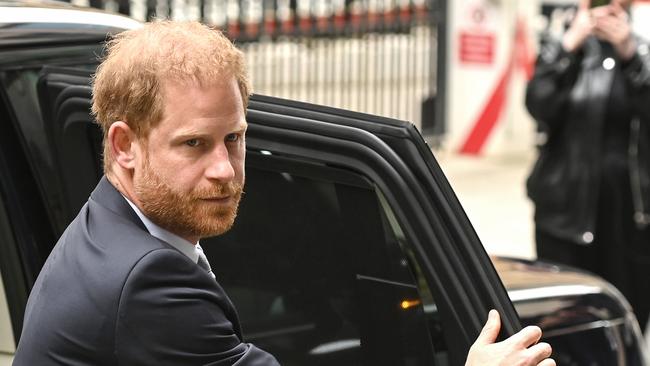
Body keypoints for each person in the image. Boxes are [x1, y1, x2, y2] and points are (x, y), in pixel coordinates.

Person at [14, 20, 554, 366]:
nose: (224, 169)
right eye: (194, 144)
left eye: (235, 138)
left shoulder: (108, 225)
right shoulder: (149, 285)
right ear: (125, 144)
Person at [526, 0, 650, 328]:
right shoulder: (564, 43)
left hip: (629, 219)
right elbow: (539, 104)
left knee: (624, 322)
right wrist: (568, 47)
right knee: (559, 323)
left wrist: (631, 54)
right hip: (562, 212)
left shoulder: (642, 47)